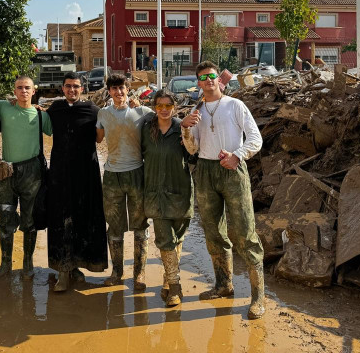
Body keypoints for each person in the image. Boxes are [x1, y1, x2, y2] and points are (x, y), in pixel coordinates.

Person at [181, 60, 266, 319]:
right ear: (198, 83)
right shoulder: (196, 111)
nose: (208, 80)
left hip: (232, 169)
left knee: (244, 231)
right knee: (213, 231)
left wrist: (238, 155)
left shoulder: (235, 105)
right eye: (203, 77)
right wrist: (185, 129)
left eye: (212, 76)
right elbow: (192, 149)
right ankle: (223, 285)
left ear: (219, 79)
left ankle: (258, 297)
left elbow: (255, 138)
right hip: (205, 172)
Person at [0, 75, 53, 279]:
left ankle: (27, 264)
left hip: (31, 172)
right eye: (19, 88)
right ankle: (5, 263)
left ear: (34, 92)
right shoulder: (3, 107)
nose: (23, 91)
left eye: (27, 88)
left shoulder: (42, 116)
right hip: (6, 172)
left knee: (29, 220)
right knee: (5, 218)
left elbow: (62, 131)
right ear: (14, 92)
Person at [46, 72, 108, 292]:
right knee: (62, 219)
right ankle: (63, 269)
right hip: (60, 173)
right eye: (68, 86)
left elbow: (100, 138)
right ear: (62, 88)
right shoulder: (55, 110)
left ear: (82, 88)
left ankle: (77, 266)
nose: (72, 90)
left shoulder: (93, 111)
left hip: (86, 173)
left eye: (76, 86)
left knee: (84, 217)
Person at [96, 73, 152, 290]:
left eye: (122, 88)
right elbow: (98, 138)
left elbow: (163, 125)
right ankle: (117, 272)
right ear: (109, 92)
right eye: (114, 89)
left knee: (140, 224)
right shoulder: (103, 113)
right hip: (112, 175)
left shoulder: (142, 113)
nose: (119, 92)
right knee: (114, 226)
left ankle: (139, 274)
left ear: (128, 90)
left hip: (136, 173)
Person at [141, 89, 193, 308]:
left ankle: (167, 279)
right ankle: (175, 286)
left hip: (179, 191)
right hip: (155, 193)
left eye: (168, 106)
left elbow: (194, 154)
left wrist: (189, 135)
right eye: (159, 106)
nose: (163, 110)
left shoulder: (183, 128)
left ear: (175, 107)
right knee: (164, 239)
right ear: (154, 107)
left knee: (178, 238)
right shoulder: (146, 130)